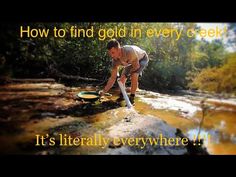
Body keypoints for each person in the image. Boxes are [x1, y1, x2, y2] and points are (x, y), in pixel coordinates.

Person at [99, 39, 149, 105]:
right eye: (110, 53)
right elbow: (112, 78)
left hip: (142, 59)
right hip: (130, 62)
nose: (112, 55)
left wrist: (127, 75)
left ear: (118, 49)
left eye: (113, 52)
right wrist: (104, 91)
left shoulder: (129, 51)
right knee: (122, 79)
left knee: (134, 75)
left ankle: (131, 98)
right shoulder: (114, 61)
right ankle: (122, 95)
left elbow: (136, 67)